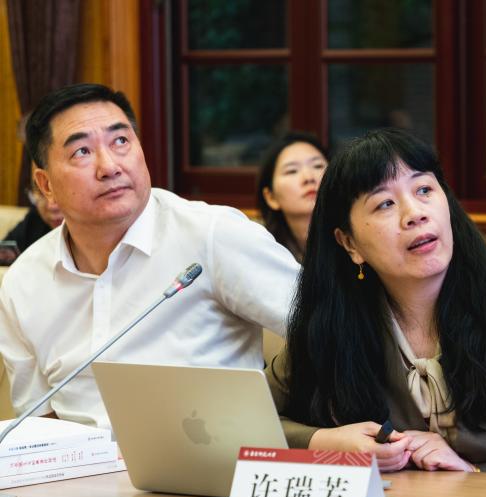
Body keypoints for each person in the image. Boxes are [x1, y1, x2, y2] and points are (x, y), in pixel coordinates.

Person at [269, 128, 486, 484]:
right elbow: (249, 423)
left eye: (424, 190)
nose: (415, 213)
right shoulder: (333, 326)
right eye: (385, 204)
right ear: (349, 244)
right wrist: (324, 441)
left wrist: (474, 472)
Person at [0, 83, 301, 429]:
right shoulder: (23, 283)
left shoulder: (213, 235)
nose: (109, 166)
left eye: (120, 141)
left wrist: (306, 430)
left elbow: (330, 327)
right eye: (81, 151)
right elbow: (40, 422)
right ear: (46, 185)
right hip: (80, 462)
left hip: (207, 456)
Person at [256, 132, 329, 261]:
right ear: (271, 197)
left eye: (318, 166)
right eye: (292, 171)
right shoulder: (264, 254)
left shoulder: (356, 242)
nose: (309, 177)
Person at [3, 182, 64, 253]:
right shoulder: (34, 218)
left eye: (60, 194)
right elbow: (5, 251)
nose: (52, 207)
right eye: (42, 194)